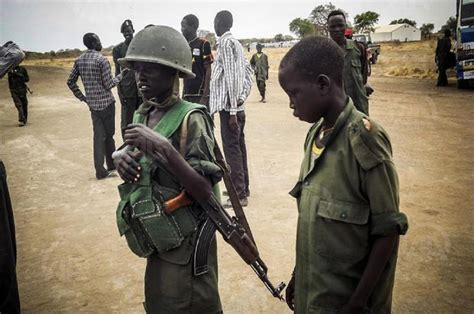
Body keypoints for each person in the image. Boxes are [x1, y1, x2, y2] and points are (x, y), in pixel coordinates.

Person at [278, 36, 408, 313]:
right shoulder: (315, 135)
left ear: (323, 84)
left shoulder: (364, 138)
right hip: (316, 295)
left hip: (348, 302)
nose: (291, 104)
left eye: (294, 94)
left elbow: (387, 231)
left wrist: (358, 301)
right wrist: (298, 275)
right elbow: (314, 224)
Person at [114, 25, 222, 313]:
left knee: (187, 302)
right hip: (158, 236)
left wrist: (164, 150)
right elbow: (132, 155)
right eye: (137, 68)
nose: (141, 76)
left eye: (151, 68)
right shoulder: (143, 112)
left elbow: (206, 192)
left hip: (187, 243)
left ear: (175, 71)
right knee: (160, 302)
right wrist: (119, 157)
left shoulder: (192, 119)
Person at [67, 33, 125, 180]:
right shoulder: (102, 60)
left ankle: (101, 169)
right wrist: (121, 75)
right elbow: (109, 84)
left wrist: (83, 98)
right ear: (93, 43)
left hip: (93, 105)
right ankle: (110, 165)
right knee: (109, 136)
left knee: (99, 138)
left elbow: (70, 82)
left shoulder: (79, 60)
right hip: (106, 104)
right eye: (98, 40)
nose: (100, 43)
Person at [210, 10, 252, 207]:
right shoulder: (236, 44)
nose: (214, 26)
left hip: (230, 109)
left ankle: (239, 194)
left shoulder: (226, 44)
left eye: (215, 22)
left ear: (220, 23)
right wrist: (242, 98)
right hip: (236, 105)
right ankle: (243, 187)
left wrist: (233, 110)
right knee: (239, 147)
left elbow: (232, 77)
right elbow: (247, 72)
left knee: (232, 150)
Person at [328, 10, 369, 115]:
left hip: (359, 105)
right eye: (333, 27)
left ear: (345, 26)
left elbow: (363, 76)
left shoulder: (358, 48)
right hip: (335, 107)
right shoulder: (324, 51)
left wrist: (362, 89)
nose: (337, 29)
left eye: (340, 25)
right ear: (328, 28)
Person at [113, 19, 141, 139]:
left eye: (129, 31)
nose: (127, 33)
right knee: (127, 122)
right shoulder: (118, 49)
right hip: (127, 90)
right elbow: (117, 71)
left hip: (141, 90)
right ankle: (126, 147)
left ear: (133, 30)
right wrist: (120, 92)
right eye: (124, 32)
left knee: (141, 120)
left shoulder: (140, 46)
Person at [180, 14, 214, 109]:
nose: (181, 29)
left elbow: (208, 70)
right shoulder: (185, 46)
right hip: (187, 94)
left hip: (200, 94)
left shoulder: (203, 44)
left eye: (184, 26)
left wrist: (205, 96)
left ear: (193, 26)